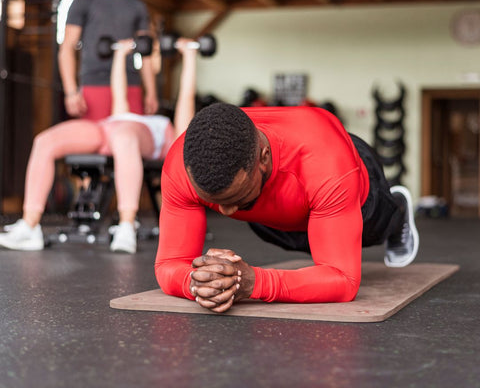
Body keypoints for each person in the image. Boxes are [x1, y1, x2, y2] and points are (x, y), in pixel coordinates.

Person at [155, 102, 420, 313]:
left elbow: (343, 281)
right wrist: (197, 282)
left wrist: (251, 282)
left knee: (374, 230)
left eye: (236, 198)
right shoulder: (183, 165)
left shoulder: (327, 163)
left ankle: (398, 210)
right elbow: (168, 264)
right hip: (280, 215)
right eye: (216, 202)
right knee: (298, 245)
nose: (227, 213)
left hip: (355, 188)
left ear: (263, 158)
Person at [0, 38, 198, 253]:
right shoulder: (125, 114)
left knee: (124, 137)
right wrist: (120, 54)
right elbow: (118, 92)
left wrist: (189, 55)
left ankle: (126, 226)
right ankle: (30, 227)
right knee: (44, 141)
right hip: (108, 129)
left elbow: (186, 96)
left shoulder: (173, 132)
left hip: (131, 138)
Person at [58, 0, 159, 120]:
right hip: (94, 85)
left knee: (130, 142)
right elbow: (67, 48)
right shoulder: (83, 2)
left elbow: (146, 52)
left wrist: (151, 91)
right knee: (96, 144)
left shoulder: (137, 6)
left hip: (130, 85)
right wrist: (71, 91)